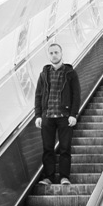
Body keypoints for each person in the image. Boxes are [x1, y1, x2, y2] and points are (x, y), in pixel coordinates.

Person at [34, 42, 80, 186]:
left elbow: (76, 95)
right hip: (48, 117)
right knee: (47, 149)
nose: (54, 55)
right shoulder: (44, 74)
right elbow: (38, 95)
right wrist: (38, 115)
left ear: (61, 54)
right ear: (49, 55)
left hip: (64, 117)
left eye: (56, 52)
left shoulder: (70, 73)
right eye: (51, 53)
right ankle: (49, 177)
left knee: (65, 148)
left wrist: (73, 114)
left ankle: (64, 177)